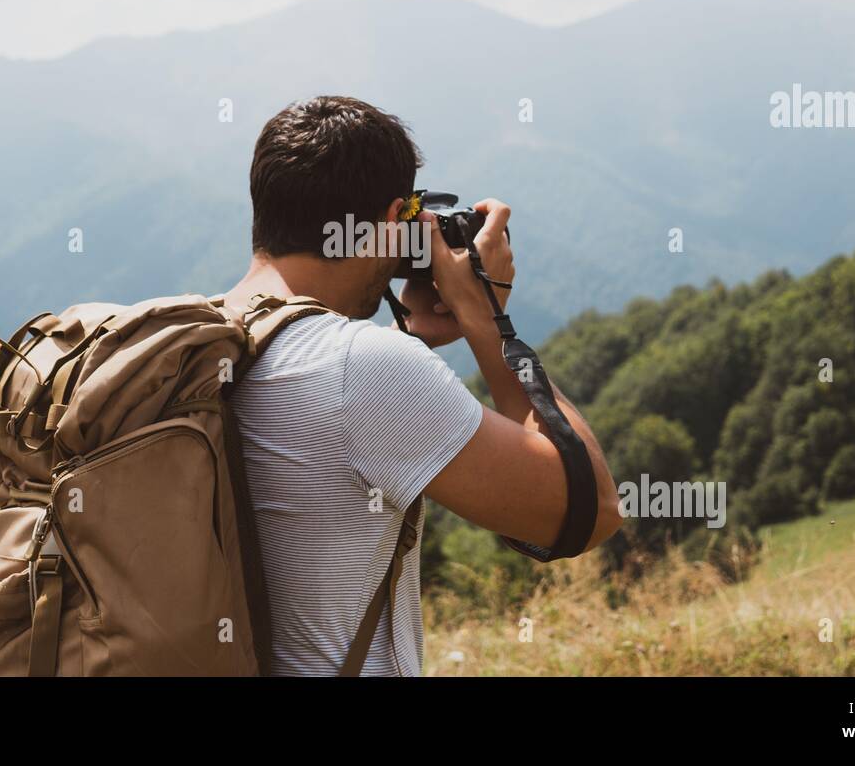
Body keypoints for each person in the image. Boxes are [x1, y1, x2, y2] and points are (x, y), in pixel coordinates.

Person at [222, 96, 621, 676]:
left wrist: (404, 339)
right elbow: (589, 513)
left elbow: (323, 421)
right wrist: (486, 319)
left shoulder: (211, 341)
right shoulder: (363, 371)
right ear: (390, 222)